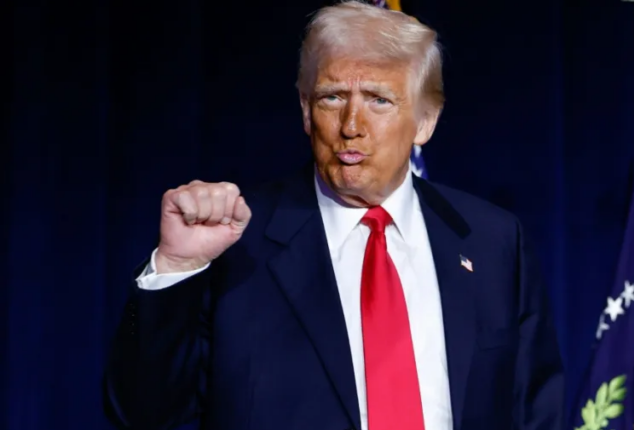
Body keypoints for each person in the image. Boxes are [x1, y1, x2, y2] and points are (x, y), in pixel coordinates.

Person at [103, 2, 564, 429]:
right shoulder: (235, 242)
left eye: (379, 100)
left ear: (426, 120)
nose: (351, 126)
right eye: (332, 98)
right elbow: (141, 416)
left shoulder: (492, 240)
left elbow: (534, 413)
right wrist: (177, 266)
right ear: (306, 111)